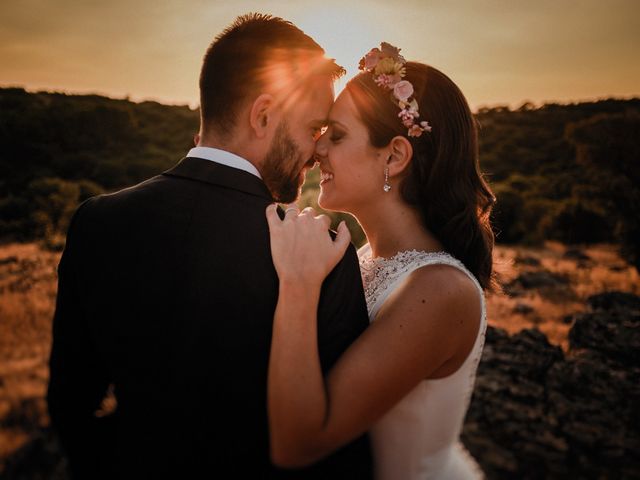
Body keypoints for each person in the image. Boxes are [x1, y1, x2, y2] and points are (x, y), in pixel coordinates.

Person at [47, 13, 373, 479]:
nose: (318, 152)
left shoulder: (96, 221)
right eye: (313, 129)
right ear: (263, 116)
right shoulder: (319, 252)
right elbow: (342, 455)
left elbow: (71, 404)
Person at [265, 43, 496, 479]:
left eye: (336, 135)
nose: (317, 151)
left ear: (394, 156)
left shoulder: (440, 290)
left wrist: (297, 284)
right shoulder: (369, 257)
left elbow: (300, 444)